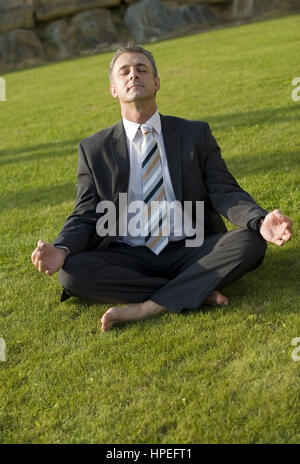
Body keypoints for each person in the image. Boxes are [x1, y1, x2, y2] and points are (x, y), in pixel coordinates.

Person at [31, 43, 293, 332]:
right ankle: (195, 290)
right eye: (125, 72)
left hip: (191, 248)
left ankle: (149, 306)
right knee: (72, 274)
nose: (134, 75)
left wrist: (259, 220)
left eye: (142, 69)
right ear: (113, 89)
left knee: (250, 242)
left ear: (156, 82)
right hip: (128, 254)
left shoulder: (195, 134)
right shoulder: (94, 149)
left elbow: (224, 190)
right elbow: (86, 213)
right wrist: (62, 248)